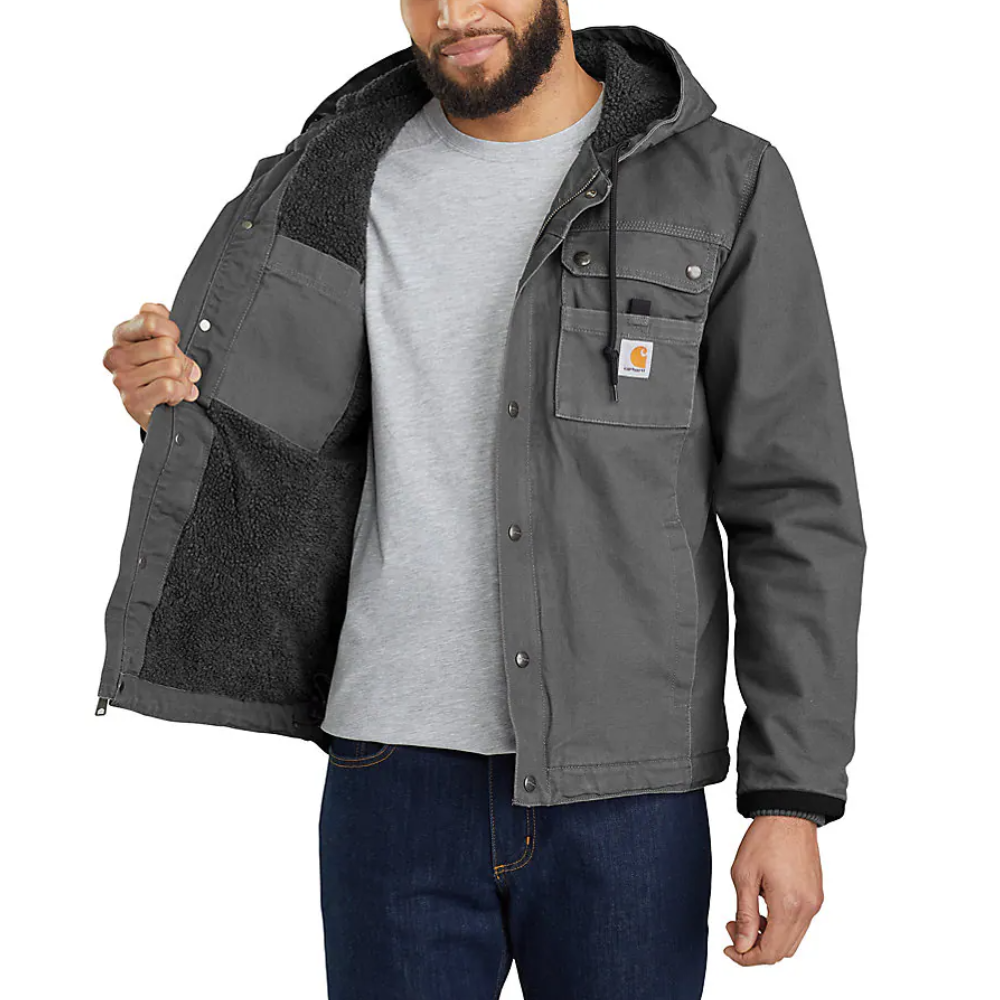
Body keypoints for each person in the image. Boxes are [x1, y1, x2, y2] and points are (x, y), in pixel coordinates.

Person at [98, 3, 866, 997]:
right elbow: (282, 443)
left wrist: (790, 797)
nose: (454, 14)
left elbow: (792, 502)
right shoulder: (336, 178)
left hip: (626, 787)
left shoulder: (723, 180)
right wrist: (165, 404)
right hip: (391, 773)